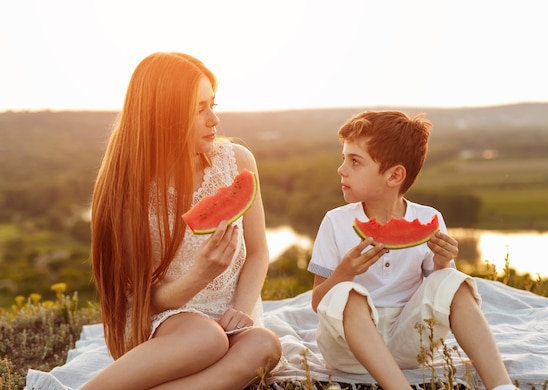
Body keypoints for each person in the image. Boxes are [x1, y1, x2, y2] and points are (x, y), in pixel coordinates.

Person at [82, 52, 282, 390]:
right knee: (207, 338)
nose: (214, 120)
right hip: (163, 321)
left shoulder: (237, 162)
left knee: (266, 346)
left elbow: (259, 252)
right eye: (199, 109)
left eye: (213, 104)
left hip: (231, 314)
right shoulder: (129, 189)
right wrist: (199, 276)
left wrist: (241, 310)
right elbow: (143, 297)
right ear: (163, 117)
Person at [307, 110, 518, 390]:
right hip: (348, 351)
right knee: (348, 294)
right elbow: (318, 302)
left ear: (395, 175)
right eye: (343, 158)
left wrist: (443, 264)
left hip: (410, 343)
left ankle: (502, 386)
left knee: (454, 281)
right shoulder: (336, 222)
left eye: (355, 161)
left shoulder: (430, 218)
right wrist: (344, 273)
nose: (341, 169)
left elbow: (439, 295)